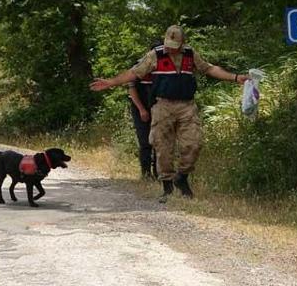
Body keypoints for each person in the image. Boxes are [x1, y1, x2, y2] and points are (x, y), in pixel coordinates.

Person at [90, 25, 248, 202]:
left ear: (182, 43)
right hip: (163, 105)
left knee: (194, 143)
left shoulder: (190, 54)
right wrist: (110, 82)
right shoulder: (155, 55)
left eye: (174, 45)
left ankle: (182, 177)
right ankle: (167, 186)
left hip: (187, 105)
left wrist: (235, 77)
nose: (169, 48)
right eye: (168, 44)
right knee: (163, 147)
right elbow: (134, 73)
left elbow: (209, 68)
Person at [127, 42, 161, 180]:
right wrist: (142, 110)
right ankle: (146, 174)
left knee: (160, 141)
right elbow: (131, 89)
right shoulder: (138, 66)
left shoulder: (165, 67)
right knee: (145, 141)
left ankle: (159, 173)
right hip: (140, 106)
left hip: (159, 108)